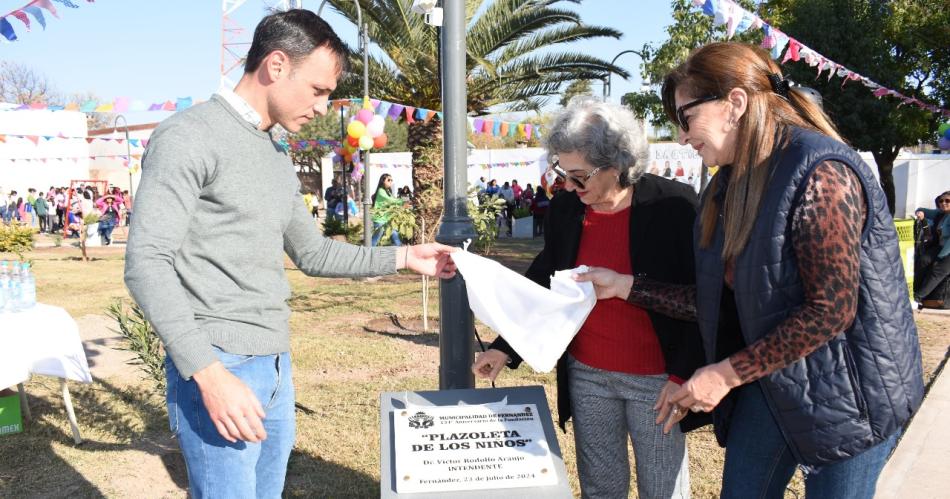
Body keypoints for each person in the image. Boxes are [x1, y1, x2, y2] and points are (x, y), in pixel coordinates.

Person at [123, 10, 457, 498]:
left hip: (274, 366)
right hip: (218, 365)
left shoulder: (274, 150)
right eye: (319, 90)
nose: (323, 108)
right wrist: (209, 376)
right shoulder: (188, 136)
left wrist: (405, 258)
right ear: (276, 66)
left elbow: (313, 252)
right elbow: (146, 264)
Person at [575, 42, 923, 499]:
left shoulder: (821, 170)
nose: (682, 137)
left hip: (851, 398)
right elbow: (717, 299)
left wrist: (724, 374)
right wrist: (624, 287)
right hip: (774, 383)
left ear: (735, 103)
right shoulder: (727, 185)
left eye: (686, 118)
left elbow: (831, 310)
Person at [472, 98, 707, 499]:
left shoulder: (675, 206)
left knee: (663, 491)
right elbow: (544, 279)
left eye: (579, 176)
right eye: (562, 173)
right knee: (600, 489)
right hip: (588, 376)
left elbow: (699, 299)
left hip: (658, 382)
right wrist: (505, 348)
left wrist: (683, 376)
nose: (567, 186)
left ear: (616, 164)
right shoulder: (566, 209)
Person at [914, 190, 950, 303]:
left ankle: (919, 296)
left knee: (938, 270)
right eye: (941, 201)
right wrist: (919, 213)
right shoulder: (941, 213)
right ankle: (913, 290)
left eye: (947, 201)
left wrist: (940, 257)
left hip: (948, 249)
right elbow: (921, 209)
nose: (943, 203)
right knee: (923, 260)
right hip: (941, 247)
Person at [371, 174, 404, 246]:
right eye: (388, 180)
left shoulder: (388, 191)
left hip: (387, 220)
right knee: (375, 239)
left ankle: (400, 251)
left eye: (391, 180)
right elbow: (391, 200)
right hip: (380, 220)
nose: (390, 182)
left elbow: (394, 200)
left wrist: (403, 204)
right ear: (383, 181)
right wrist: (403, 201)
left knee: (395, 235)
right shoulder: (381, 191)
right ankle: (367, 253)